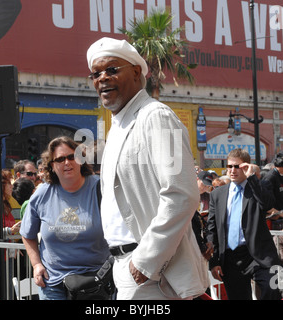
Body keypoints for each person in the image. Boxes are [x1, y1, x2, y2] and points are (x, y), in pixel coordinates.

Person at [87, 37, 208, 300]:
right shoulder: (119, 125)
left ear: (136, 72)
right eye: (96, 74)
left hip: (154, 272)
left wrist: (146, 259)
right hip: (126, 265)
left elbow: (182, 194)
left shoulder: (156, 116)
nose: (103, 78)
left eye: (112, 70)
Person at [20, 136, 111, 300]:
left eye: (72, 156)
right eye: (60, 159)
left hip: (94, 283)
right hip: (53, 283)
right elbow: (27, 233)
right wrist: (36, 265)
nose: (67, 163)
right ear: (52, 166)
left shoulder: (100, 188)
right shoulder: (43, 193)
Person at [207, 148, 282, 300]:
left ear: (246, 167)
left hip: (259, 255)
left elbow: (267, 203)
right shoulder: (217, 194)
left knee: (273, 288)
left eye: (238, 167)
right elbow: (212, 228)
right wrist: (213, 262)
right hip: (230, 258)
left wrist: (253, 177)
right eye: (230, 166)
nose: (232, 170)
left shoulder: (257, 187)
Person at [192, 171, 214, 261]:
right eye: (203, 184)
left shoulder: (208, 197)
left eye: (207, 186)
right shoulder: (189, 195)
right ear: (197, 179)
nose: (205, 188)